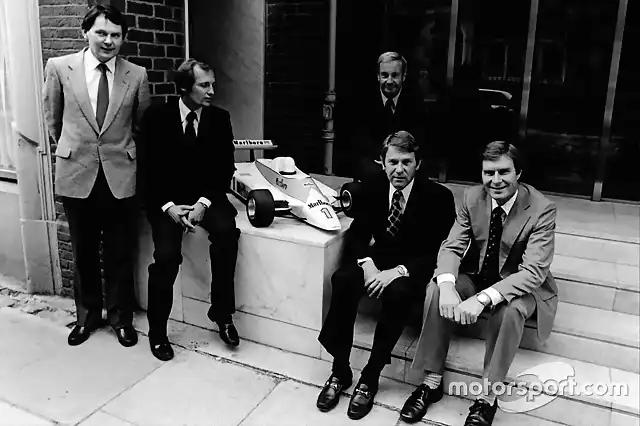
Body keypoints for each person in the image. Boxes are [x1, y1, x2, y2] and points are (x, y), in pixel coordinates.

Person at [400, 141, 558, 426]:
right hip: (478, 273)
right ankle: (431, 381)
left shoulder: (542, 209)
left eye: (503, 172)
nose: (495, 181)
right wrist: (448, 286)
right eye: (488, 173)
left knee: (509, 311)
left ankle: (488, 396)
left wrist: (484, 299)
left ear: (518, 173)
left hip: (519, 282)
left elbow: (533, 272)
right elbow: (451, 247)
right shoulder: (472, 197)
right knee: (436, 289)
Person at [316, 131, 455, 420]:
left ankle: (370, 375)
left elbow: (437, 250)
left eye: (406, 162)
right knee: (343, 279)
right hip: (376, 261)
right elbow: (357, 235)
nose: (399, 170)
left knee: (399, 293)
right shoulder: (373, 187)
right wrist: (368, 266)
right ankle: (340, 369)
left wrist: (397, 272)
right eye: (392, 162)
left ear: (418, 163)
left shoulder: (438, 197)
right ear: (382, 162)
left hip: (413, 267)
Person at [43, 5, 150, 347]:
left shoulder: (137, 74)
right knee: (84, 251)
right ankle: (87, 317)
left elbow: (140, 125)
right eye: (102, 33)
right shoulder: (60, 68)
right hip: (77, 173)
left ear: (123, 39)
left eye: (116, 35)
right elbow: (53, 120)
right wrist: (77, 151)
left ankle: (120, 318)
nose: (109, 40)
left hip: (120, 174)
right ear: (84, 33)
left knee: (120, 251)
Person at [139, 59, 240, 361]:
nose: (212, 91)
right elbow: (146, 170)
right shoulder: (157, 116)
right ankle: (157, 331)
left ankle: (222, 314)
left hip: (206, 198)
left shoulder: (219, 118)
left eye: (213, 84)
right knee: (167, 257)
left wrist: (203, 204)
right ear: (184, 87)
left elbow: (225, 168)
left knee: (227, 235)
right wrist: (169, 207)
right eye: (204, 85)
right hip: (166, 201)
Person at [350, 52, 427, 182]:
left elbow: (418, 142)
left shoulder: (415, 102)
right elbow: (359, 143)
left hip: (403, 167)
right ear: (378, 76)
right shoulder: (362, 102)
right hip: (373, 167)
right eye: (385, 75)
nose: (389, 81)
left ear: (404, 76)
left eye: (395, 75)